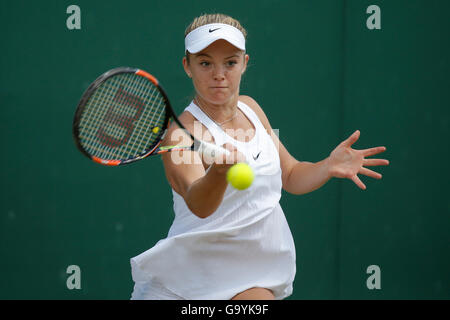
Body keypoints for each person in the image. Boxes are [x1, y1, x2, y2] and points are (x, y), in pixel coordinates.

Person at [130, 13, 389, 300]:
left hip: (251, 279)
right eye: (205, 63)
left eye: (230, 62)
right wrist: (218, 173)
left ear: (245, 63)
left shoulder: (251, 108)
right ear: (187, 66)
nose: (219, 74)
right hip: (188, 286)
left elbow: (290, 175)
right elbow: (198, 203)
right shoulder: (181, 135)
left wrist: (327, 166)